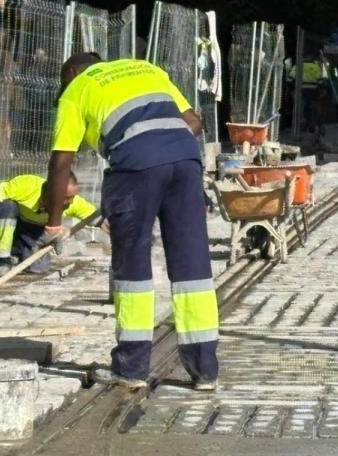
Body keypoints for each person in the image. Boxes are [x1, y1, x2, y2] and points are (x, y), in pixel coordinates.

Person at [43, 54, 218, 393]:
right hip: (185, 161)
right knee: (192, 266)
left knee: (133, 268)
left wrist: (53, 224)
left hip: (135, 167)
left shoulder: (77, 88)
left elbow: (62, 160)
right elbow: (194, 121)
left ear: (73, 72)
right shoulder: (148, 68)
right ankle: (205, 371)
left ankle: (132, 368)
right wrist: (165, 143)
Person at [0, 172, 100, 277]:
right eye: (66, 198)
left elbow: (101, 219)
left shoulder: (73, 203)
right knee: (7, 207)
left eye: (72, 197)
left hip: (32, 233)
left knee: (39, 268)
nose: (71, 202)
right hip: (12, 224)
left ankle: (14, 255)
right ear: (51, 194)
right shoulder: (26, 186)